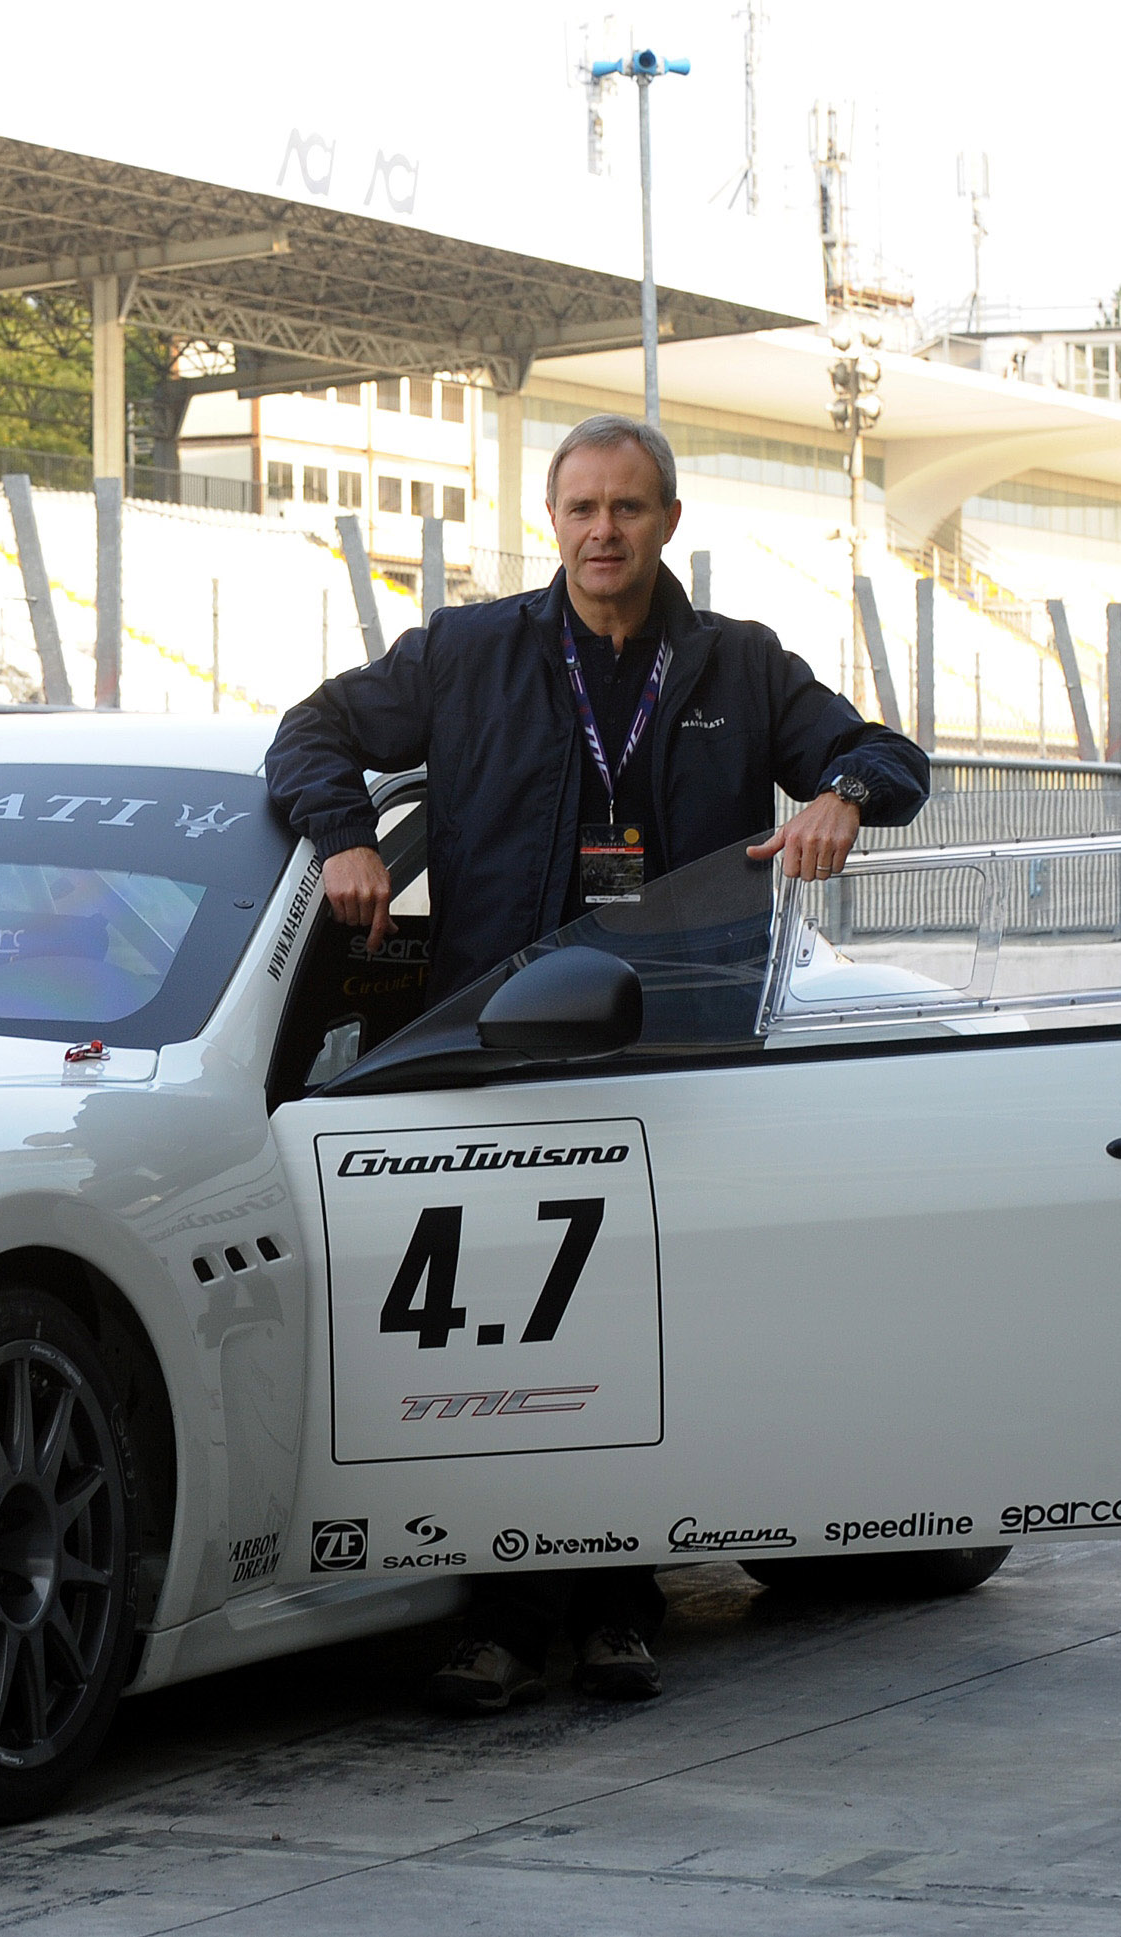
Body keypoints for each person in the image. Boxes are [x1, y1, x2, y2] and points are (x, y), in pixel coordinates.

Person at [264, 411, 928, 1714]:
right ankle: (504, 1614)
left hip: (669, 1056)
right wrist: (344, 836)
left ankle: (624, 1600)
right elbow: (307, 733)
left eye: (626, 508)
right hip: (495, 1050)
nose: (601, 531)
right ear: (551, 519)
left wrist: (841, 795)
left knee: (639, 1336)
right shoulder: (462, 654)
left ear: (665, 521)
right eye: (580, 508)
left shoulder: (735, 665)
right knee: (498, 1343)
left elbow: (892, 755)